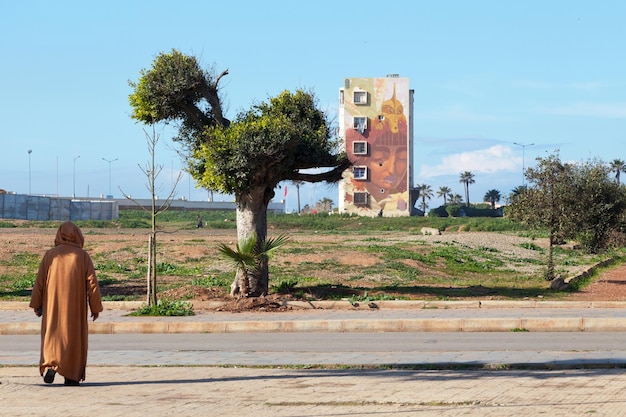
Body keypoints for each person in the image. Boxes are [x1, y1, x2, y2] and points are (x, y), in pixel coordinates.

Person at [29, 221, 103, 386]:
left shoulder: (50, 255)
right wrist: (95, 307)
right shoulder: (82, 256)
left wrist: (36, 303)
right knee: (73, 336)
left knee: (52, 334)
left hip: (53, 304)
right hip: (74, 307)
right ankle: (71, 374)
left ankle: (51, 364)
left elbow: (39, 281)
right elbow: (92, 283)